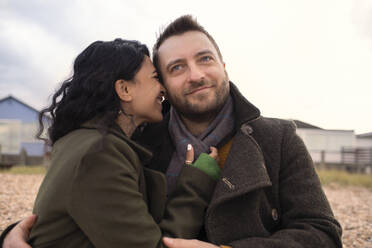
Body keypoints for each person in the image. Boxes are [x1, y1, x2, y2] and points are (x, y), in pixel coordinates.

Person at [1, 15, 342, 248]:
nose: (195, 75)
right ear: (162, 83)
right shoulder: (137, 139)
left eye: (205, 59)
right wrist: (13, 234)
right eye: (177, 67)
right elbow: (91, 211)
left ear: (223, 65)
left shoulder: (278, 138)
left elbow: (323, 234)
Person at [1, 38, 222, 248]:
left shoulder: (84, 141)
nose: (163, 88)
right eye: (155, 78)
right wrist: (196, 183)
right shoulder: (99, 153)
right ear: (124, 89)